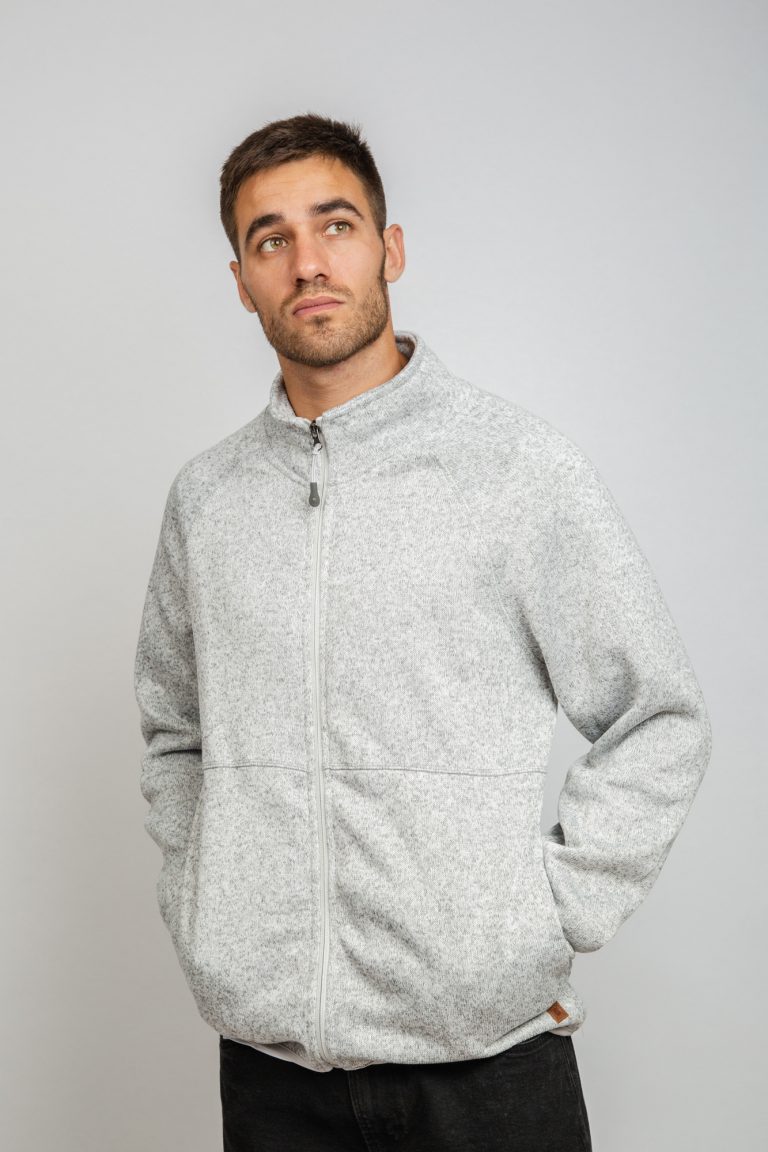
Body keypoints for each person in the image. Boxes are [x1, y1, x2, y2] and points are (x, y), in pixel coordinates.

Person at [133, 112, 712, 1152]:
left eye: (336, 225)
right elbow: (175, 732)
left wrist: (545, 919)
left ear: (389, 248)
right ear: (242, 281)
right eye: (271, 240)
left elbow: (657, 716)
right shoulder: (208, 502)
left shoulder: (516, 470)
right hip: (273, 1078)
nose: (308, 263)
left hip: (490, 1071)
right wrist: (203, 908)